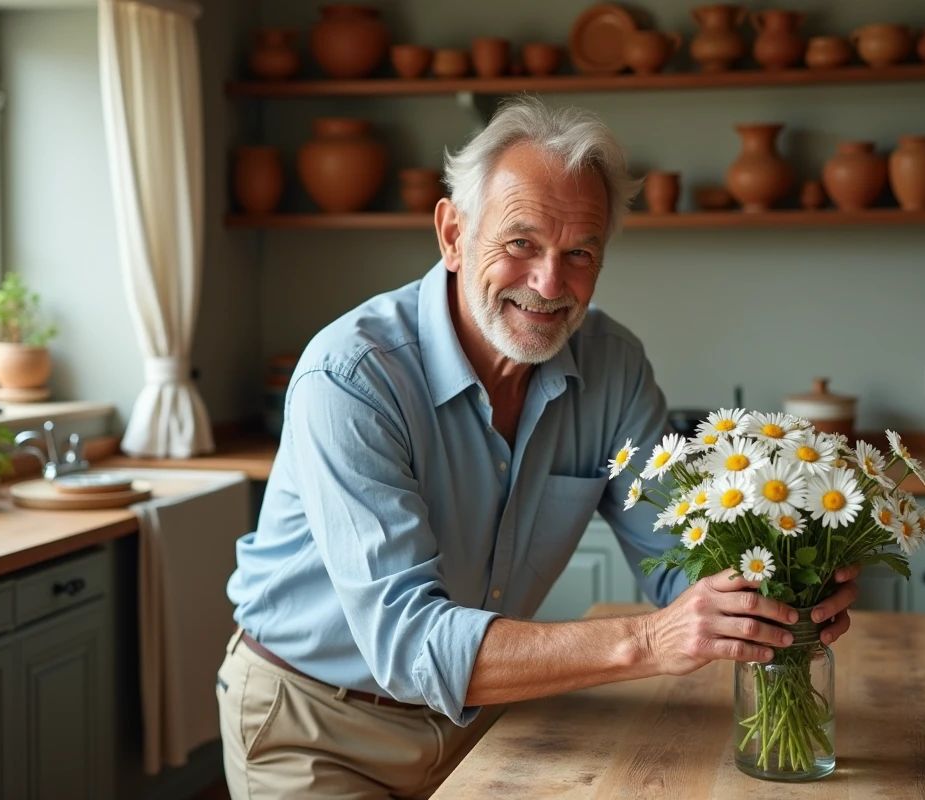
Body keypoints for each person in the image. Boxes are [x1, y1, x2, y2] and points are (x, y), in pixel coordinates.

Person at [216, 96, 861, 799]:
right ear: (454, 234)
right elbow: (408, 645)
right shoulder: (352, 376)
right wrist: (649, 641)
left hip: (487, 718)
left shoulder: (612, 366)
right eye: (520, 243)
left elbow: (681, 558)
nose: (550, 285)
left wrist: (777, 596)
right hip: (314, 725)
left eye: (580, 252)